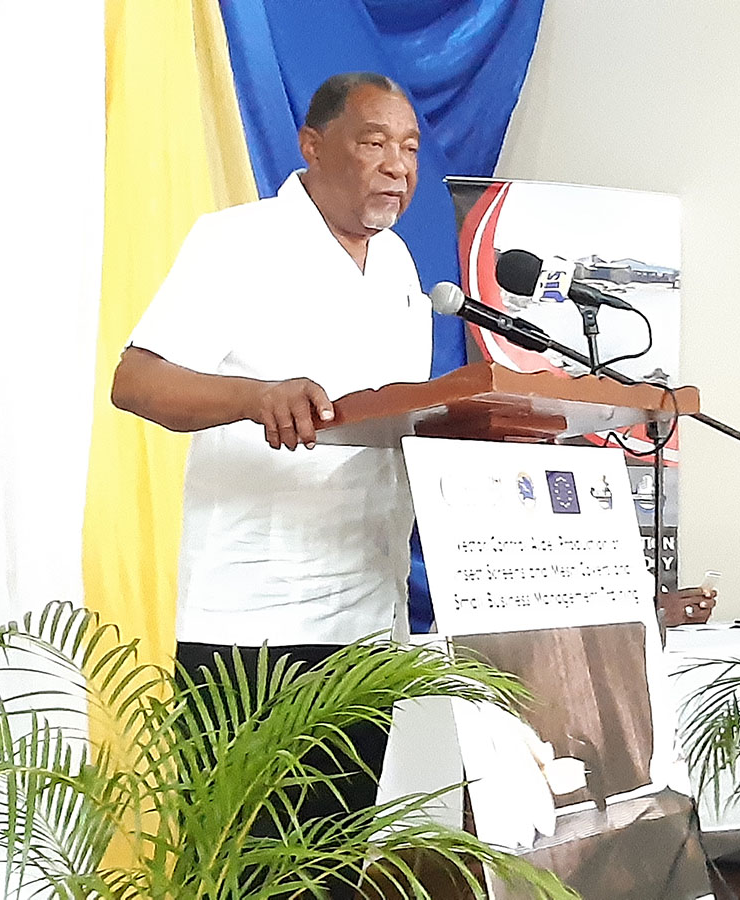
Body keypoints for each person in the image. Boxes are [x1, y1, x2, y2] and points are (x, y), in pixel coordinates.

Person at [110, 71, 428, 827]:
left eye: (410, 147)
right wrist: (255, 397)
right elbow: (136, 381)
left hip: (366, 628)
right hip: (256, 631)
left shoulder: (400, 267)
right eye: (374, 142)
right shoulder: (238, 240)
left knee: (339, 865)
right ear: (313, 147)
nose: (397, 165)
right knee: (247, 869)